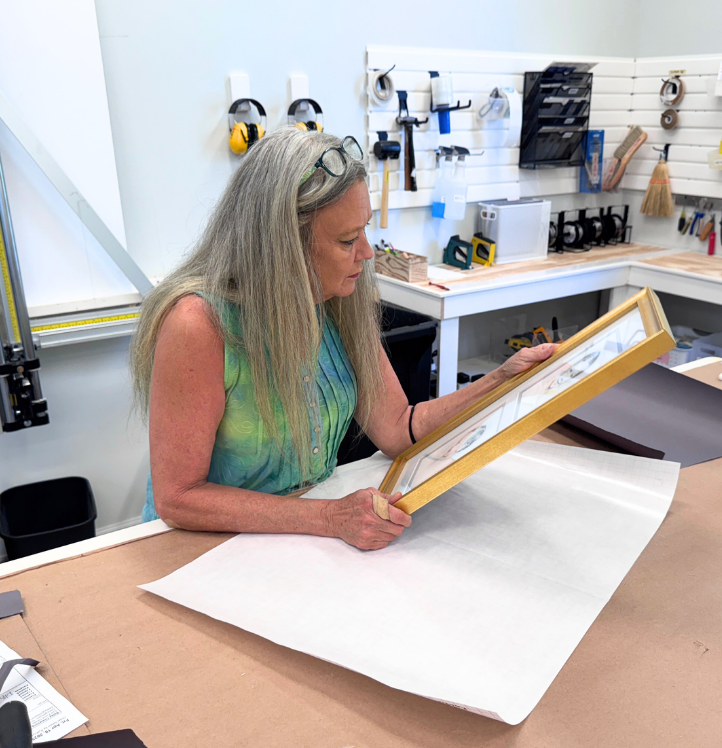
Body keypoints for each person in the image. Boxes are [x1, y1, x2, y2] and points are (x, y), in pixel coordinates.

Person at [130, 128, 555, 550]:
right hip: (203, 550)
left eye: (364, 231)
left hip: (298, 539)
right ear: (283, 247)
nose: (367, 252)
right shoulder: (198, 324)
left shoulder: (335, 299)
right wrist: (328, 517)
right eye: (348, 239)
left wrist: (500, 382)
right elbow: (179, 498)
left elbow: (397, 427)